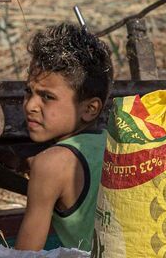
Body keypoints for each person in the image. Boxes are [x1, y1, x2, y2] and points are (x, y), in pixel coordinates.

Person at [14, 23, 113, 252]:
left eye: (47, 97)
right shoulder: (110, 142)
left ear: (90, 109)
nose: (30, 106)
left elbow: (25, 255)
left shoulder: (51, 164)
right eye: (29, 91)